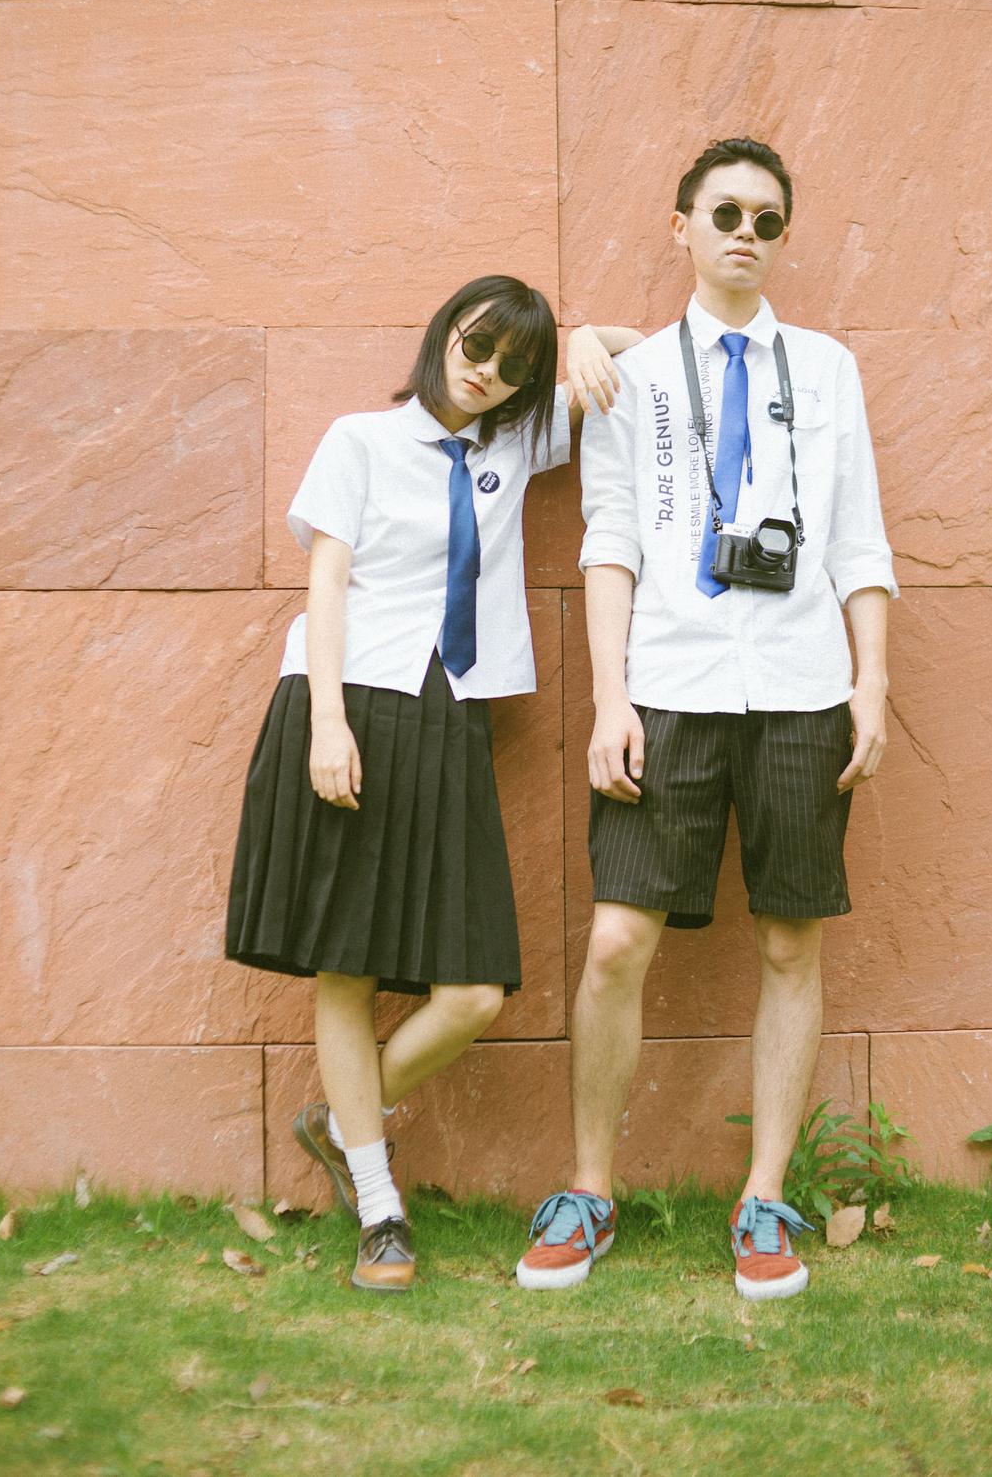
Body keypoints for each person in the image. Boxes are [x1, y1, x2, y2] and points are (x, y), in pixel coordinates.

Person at [517, 139, 897, 1300]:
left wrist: (870, 683)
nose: (746, 233)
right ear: (679, 225)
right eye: (725, 212)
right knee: (615, 943)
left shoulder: (825, 370)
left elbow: (857, 540)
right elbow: (611, 540)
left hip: (799, 687)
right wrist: (610, 699)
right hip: (669, 689)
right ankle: (589, 1190)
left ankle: (764, 1198)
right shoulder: (631, 375)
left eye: (767, 219)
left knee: (789, 943)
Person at [225, 275, 639, 1292]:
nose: (486, 370)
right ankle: (379, 1209)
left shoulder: (515, 445)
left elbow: (659, 347)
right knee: (348, 967)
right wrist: (328, 723)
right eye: (475, 344)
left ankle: (344, 1120)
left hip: (452, 715)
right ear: (444, 333)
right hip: (351, 702)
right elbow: (327, 582)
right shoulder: (360, 440)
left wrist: (587, 335)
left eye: (512, 364)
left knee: (474, 992)